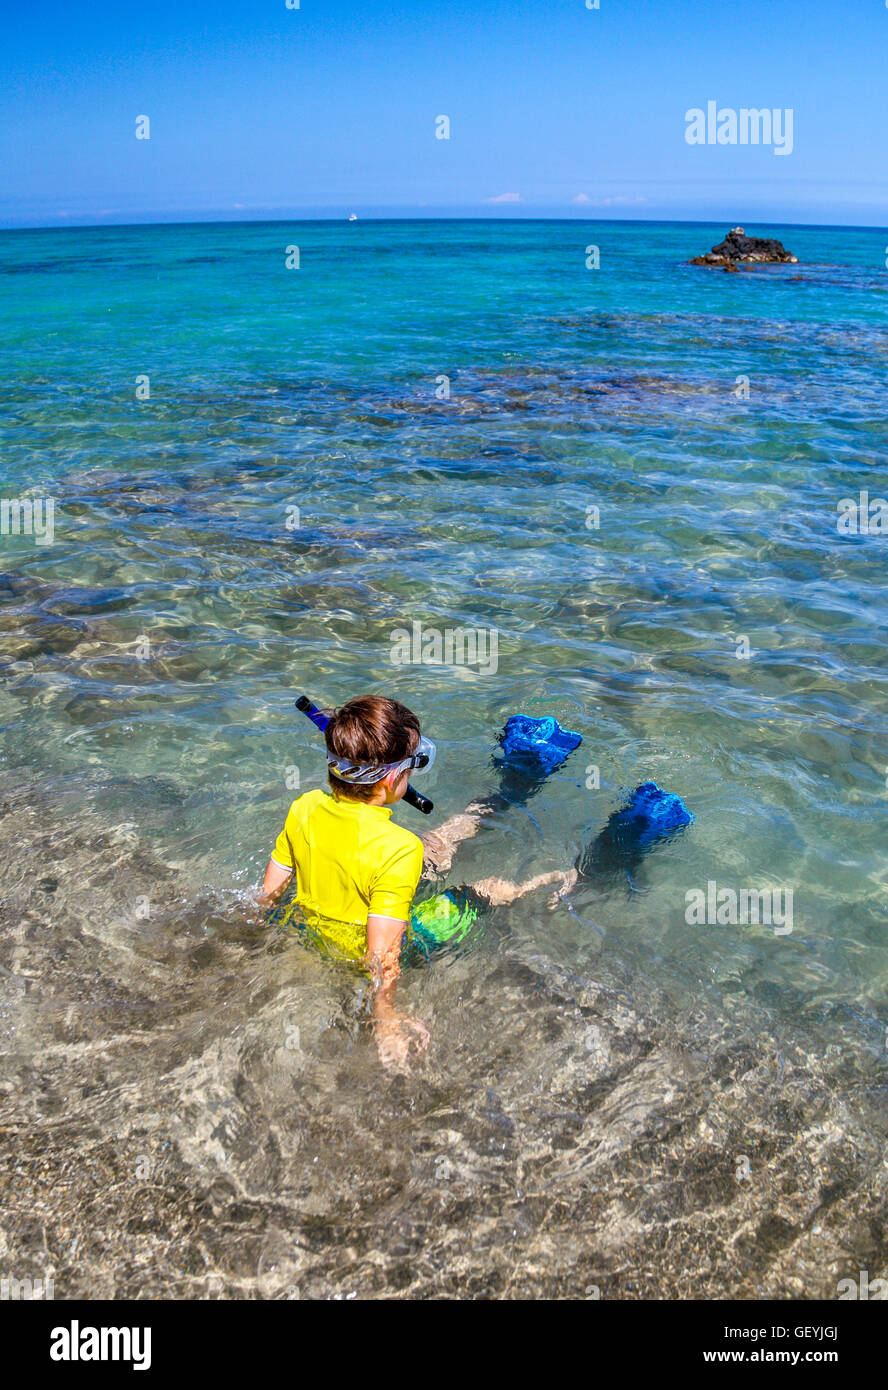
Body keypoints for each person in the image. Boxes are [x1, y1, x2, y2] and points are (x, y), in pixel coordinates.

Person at [260, 695, 568, 1073]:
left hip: (322, 930)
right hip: (361, 952)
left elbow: (270, 889)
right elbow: (383, 951)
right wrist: (385, 1014)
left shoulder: (305, 806)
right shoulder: (400, 849)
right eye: (413, 766)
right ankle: (553, 876)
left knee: (437, 845)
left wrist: (256, 925)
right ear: (392, 779)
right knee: (483, 891)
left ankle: (491, 804)